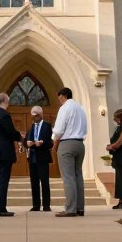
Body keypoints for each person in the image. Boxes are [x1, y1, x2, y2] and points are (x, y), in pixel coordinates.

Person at [51, 87, 87, 217]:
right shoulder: (81, 108)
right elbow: (85, 128)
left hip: (67, 144)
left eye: (59, 98)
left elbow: (59, 130)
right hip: (80, 144)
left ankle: (70, 209)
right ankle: (80, 208)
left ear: (62, 96)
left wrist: (54, 144)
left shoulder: (65, 108)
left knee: (68, 177)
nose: (59, 100)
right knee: (78, 176)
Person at [24, 106, 53, 211]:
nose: (33, 118)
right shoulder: (31, 127)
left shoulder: (47, 126)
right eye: (32, 116)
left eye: (35, 116)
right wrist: (27, 143)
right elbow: (25, 142)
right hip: (32, 158)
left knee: (44, 182)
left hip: (43, 158)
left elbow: (50, 143)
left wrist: (42, 143)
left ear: (40, 115)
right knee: (34, 182)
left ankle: (46, 205)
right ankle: (36, 205)